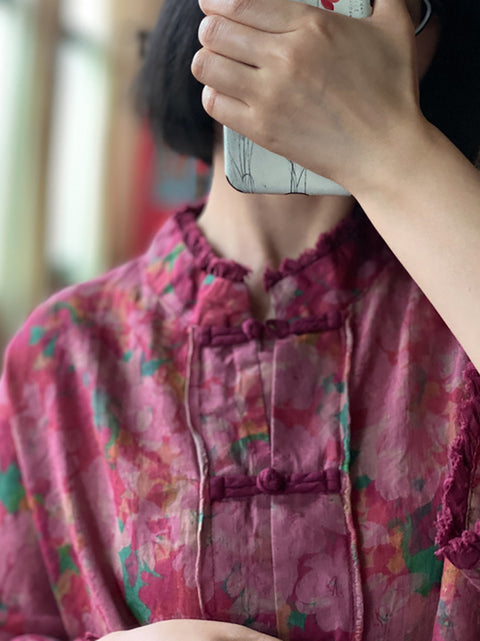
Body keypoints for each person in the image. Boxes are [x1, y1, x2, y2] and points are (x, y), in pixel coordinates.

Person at [1, 0, 480, 639]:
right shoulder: (62, 351)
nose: (319, 29)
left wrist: (391, 148)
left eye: (371, 3)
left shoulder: (458, 326)